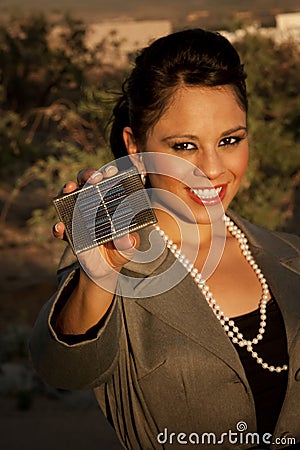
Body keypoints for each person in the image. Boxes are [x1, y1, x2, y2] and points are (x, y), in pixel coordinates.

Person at [29, 29, 300, 450]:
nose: (212, 169)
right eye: (185, 146)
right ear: (136, 148)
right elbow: (64, 368)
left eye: (230, 140)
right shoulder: (114, 261)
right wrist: (98, 278)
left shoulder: (292, 255)